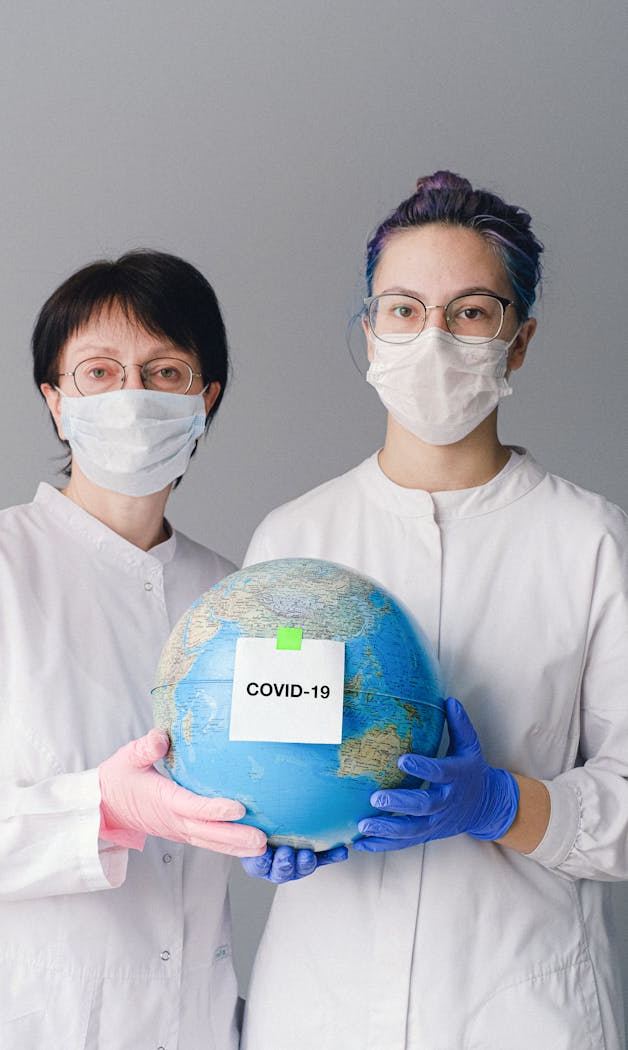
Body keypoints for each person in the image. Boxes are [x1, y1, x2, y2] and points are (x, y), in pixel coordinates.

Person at [239, 173, 628, 1049]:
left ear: (518, 342)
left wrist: (501, 804)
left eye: (471, 313)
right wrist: (262, 818)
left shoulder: (593, 542)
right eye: (404, 310)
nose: (433, 338)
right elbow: (261, 739)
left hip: (520, 1006)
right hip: (320, 1005)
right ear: (371, 331)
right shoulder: (296, 536)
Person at [0, 250, 267, 1049]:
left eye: (166, 371)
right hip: (19, 1022)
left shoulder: (236, 597)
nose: (133, 396)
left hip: (193, 1022)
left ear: (205, 398)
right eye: (99, 372)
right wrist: (100, 810)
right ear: (55, 402)